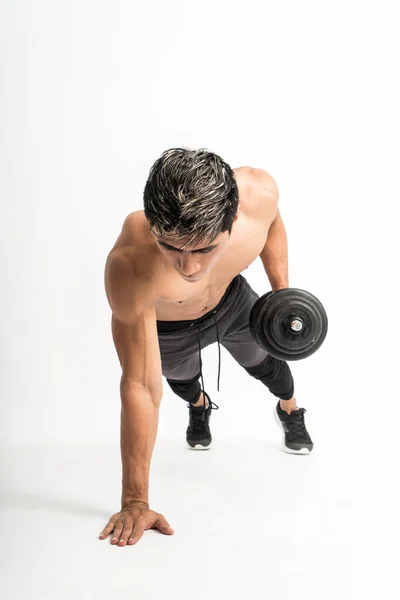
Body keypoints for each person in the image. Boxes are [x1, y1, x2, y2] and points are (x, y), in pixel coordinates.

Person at [100, 148, 313, 547]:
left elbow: (273, 223)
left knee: (269, 366)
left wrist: (281, 293)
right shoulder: (132, 264)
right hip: (169, 331)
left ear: (233, 220)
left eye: (203, 249)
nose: (189, 268)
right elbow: (141, 387)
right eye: (171, 248)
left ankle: (289, 409)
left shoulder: (258, 194)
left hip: (232, 305)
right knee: (180, 380)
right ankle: (199, 407)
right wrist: (135, 500)